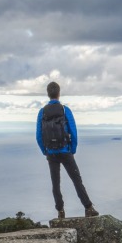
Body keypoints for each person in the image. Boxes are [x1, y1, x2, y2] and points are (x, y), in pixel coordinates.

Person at [36, 82, 99, 219]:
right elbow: (73, 131)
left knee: (55, 183)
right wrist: (72, 150)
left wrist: (45, 151)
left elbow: (38, 135)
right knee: (77, 180)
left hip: (51, 153)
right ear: (59, 94)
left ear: (48, 94)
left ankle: (60, 212)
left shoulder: (42, 112)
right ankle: (88, 207)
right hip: (65, 151)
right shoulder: (65, 110)